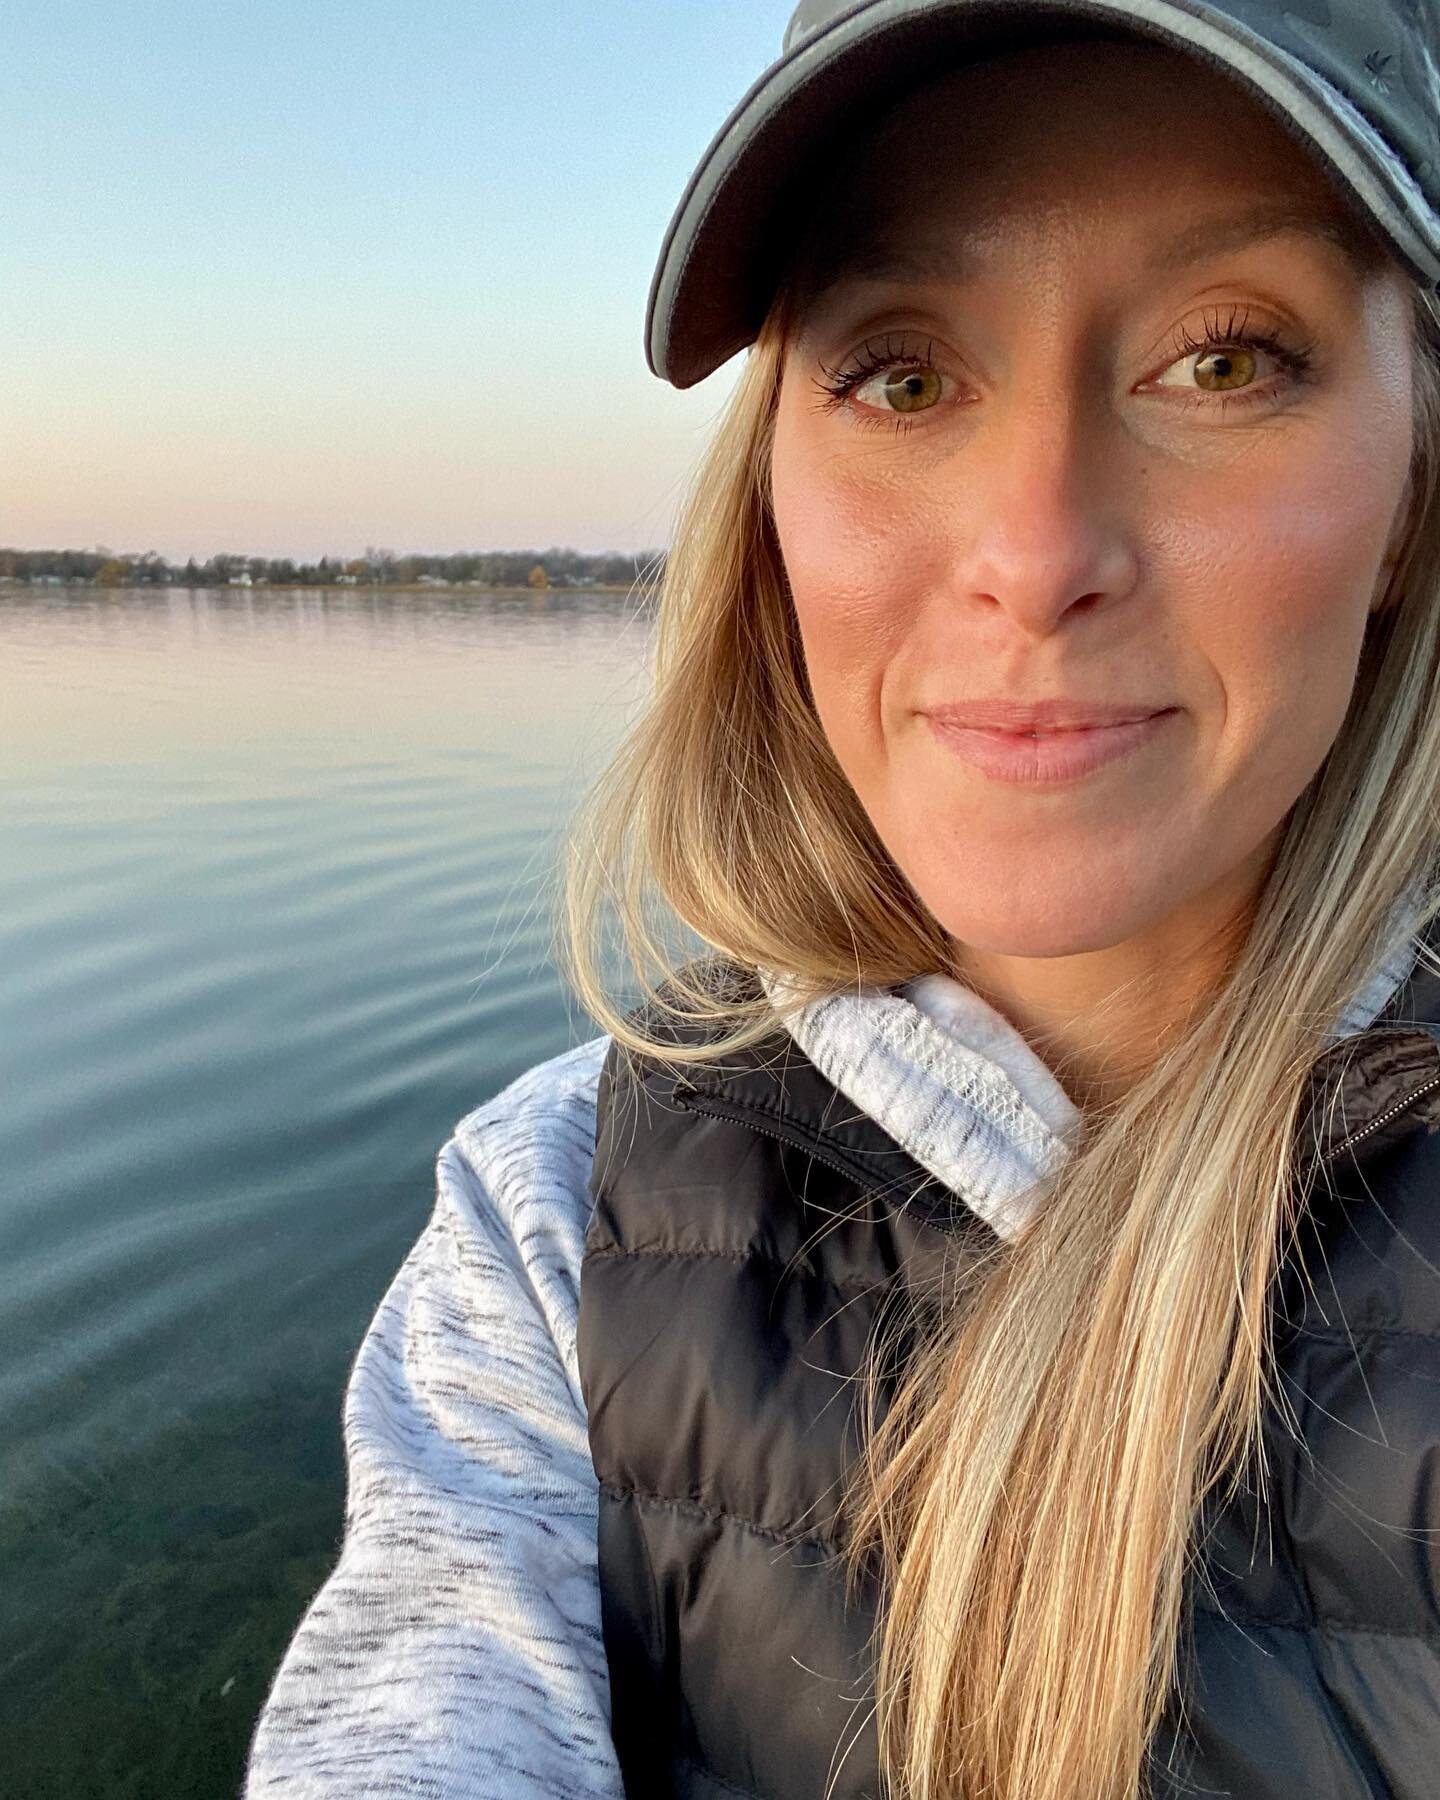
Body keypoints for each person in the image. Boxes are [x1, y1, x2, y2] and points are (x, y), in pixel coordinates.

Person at [244, 2, 1440, 1796]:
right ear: (776, 495)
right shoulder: (558, 1221)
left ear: (1417, 487)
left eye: (1226, 358)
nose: (1035, 555)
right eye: (901, 373)